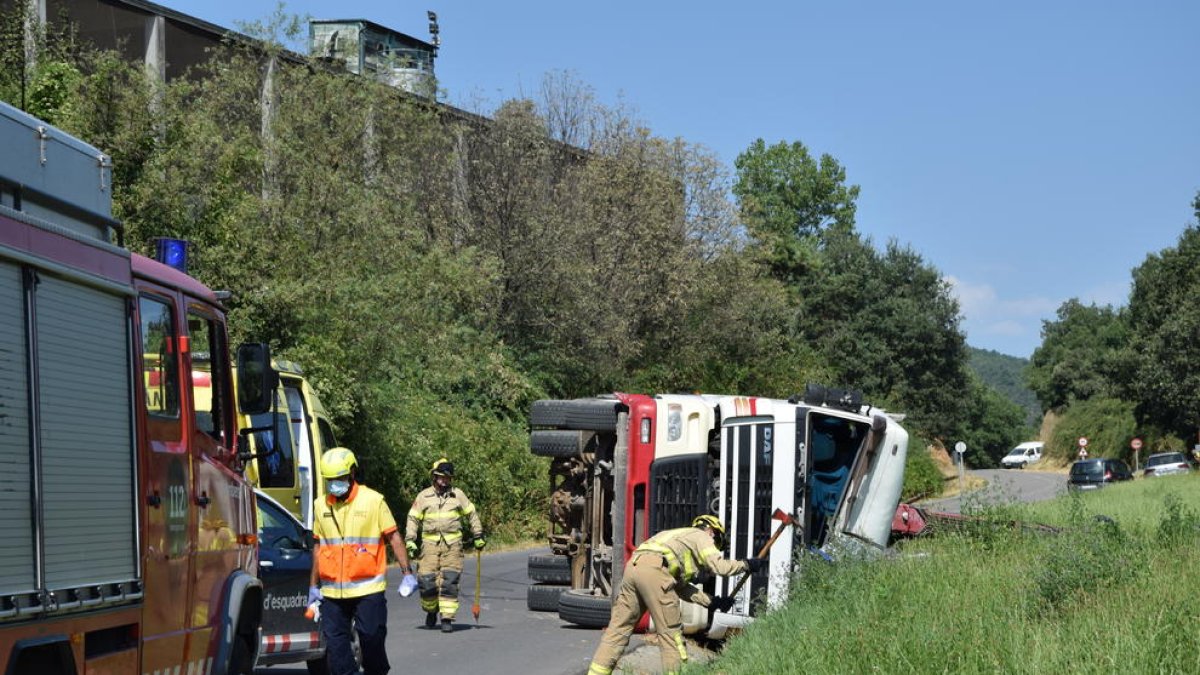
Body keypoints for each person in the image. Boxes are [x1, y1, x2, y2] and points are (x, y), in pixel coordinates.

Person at [587, 514, 764, 675]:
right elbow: (720, 567)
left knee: (618, 630)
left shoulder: (675, 537)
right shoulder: (702, 536)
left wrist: (711, 602)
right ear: (712, 531)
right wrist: (746, 565)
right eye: (717, 543)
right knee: (671, 636)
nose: (715, 548)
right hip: (656, 571)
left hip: (633, 568)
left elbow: (681, 587)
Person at [308, 447, 413, 675]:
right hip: (333, 592)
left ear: (352, 473)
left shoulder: (373, 501)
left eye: (339, 478)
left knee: (372, 639)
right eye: (330, 480)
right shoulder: (320, 506)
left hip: (368, 589)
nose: (334, 484)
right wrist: (313, 586)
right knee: (336, 647)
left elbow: (393, 537)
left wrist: (407, 573)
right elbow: (318, 546)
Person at [405, 458, 485, 633]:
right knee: (427, 582)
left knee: (449, 582)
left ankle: (447, 618)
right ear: (434, 477)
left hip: (452, 547)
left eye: (447, 478)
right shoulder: (423, 496)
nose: (444, 481)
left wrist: (478, 534)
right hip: (429, 546)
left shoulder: (458, 495)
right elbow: (413, 518)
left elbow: (471, 514)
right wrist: (410, 540)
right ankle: (431, 610)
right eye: (441, 477)